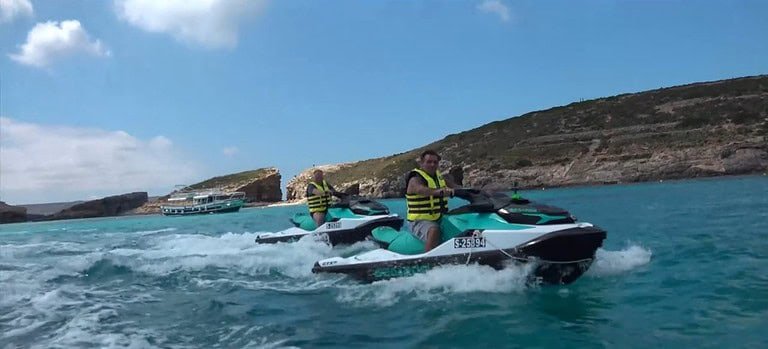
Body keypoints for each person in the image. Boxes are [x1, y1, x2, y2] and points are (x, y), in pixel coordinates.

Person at [405, 150, 456, 252]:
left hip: (440, 218)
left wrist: (480, 191)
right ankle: (430, 261)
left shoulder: (440, 178)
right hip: (419, 221)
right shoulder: (415, 179)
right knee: (434, 230)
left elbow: (457, 187)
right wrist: (439, 192)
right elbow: (420, 190)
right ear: (422, 163)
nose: (432, 164)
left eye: (435, 162)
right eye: (429, 162)